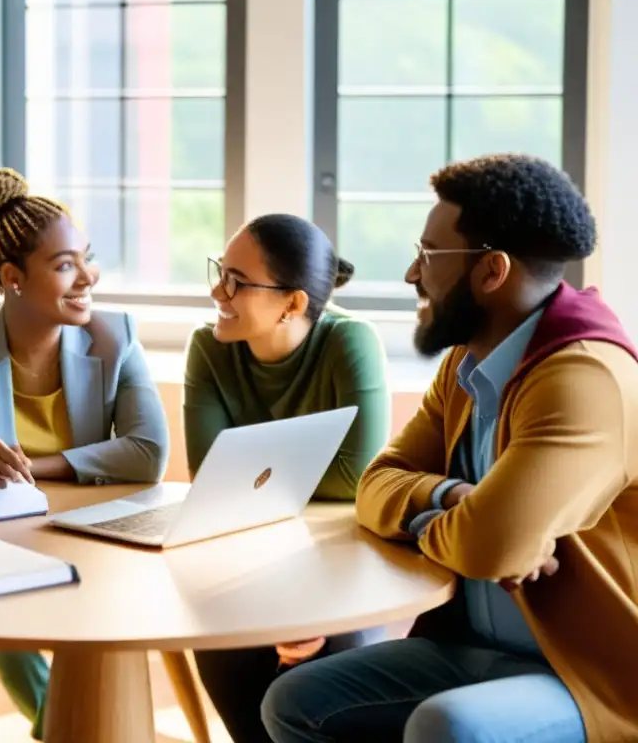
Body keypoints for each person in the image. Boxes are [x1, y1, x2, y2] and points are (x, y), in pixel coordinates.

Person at [261, 153, 638, 743]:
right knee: (295, 700)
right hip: (473, 645)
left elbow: (490, 547)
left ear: (492, 272)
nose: (413, 273)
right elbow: (376, 483)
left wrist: (452, 524)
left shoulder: (584, 380)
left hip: (585, 673)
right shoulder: (468, 362)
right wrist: (452, 496)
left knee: (449, 726)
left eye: (430, 255)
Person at [0, 167, 170, 739]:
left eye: (86, 257)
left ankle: (64, 724)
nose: (88, 277)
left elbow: (148, 452)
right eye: (64, 265)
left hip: (97, 532)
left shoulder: (115, 338)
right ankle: (59, 721)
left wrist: (39, 467)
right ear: (12, 277)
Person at [183, 214, 390, 743]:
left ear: (293, 304)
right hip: (241, 563)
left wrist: (250, 471)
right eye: (219, 271)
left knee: (333, 696)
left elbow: (356, 477)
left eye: (236, 281)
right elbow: (210, 477)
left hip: (334, 561)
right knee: (230, 669)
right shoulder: (208, 348)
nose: (216, 291)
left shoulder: (351, 343)